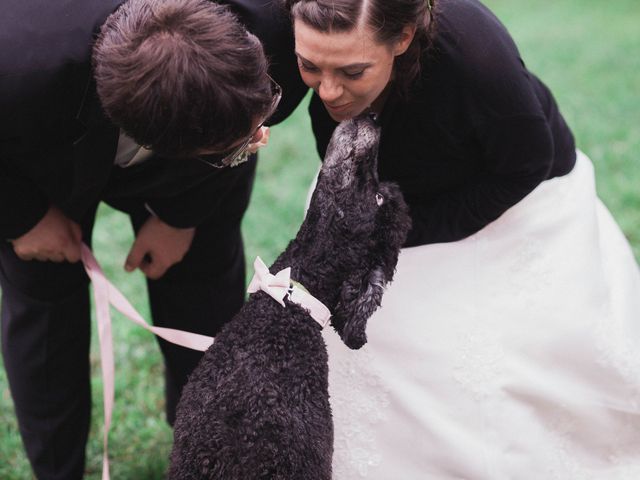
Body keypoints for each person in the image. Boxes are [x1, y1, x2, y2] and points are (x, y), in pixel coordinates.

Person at [284, 0, 640, 478]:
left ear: (403, 39)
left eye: (351, 71)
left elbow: (528, 163)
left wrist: (404, 230)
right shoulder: (310, 29)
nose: (327, 91)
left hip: (510, 203)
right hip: (394, 189)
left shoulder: (476, 55)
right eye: (310, 66)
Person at [0, 0, 307, 478]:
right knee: (44, 308)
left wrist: (180, 217)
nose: (259, 141)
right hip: (36, 155)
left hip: (197, 152)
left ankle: (214, 456)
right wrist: (23, 218)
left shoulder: (269, 31)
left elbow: (245, 130)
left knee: (202, 287)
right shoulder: (18, 63)